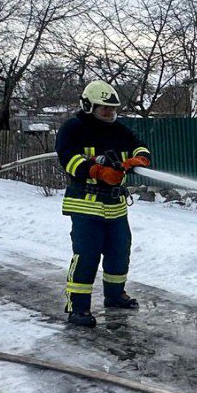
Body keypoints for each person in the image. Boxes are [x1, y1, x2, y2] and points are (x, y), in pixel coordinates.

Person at [55, 80, 152, 328]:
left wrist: (139, 158)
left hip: (115, 204)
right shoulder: (73, 128)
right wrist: (97, 170)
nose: (109, 113)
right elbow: (67, 159)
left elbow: (139, 145)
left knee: (119, 252)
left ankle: (115, 295)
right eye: (104, 109)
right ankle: (78, 309)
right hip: (85, 203)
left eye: (112, 109)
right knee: (86, 256)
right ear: (89, 106)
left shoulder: (118, 129)